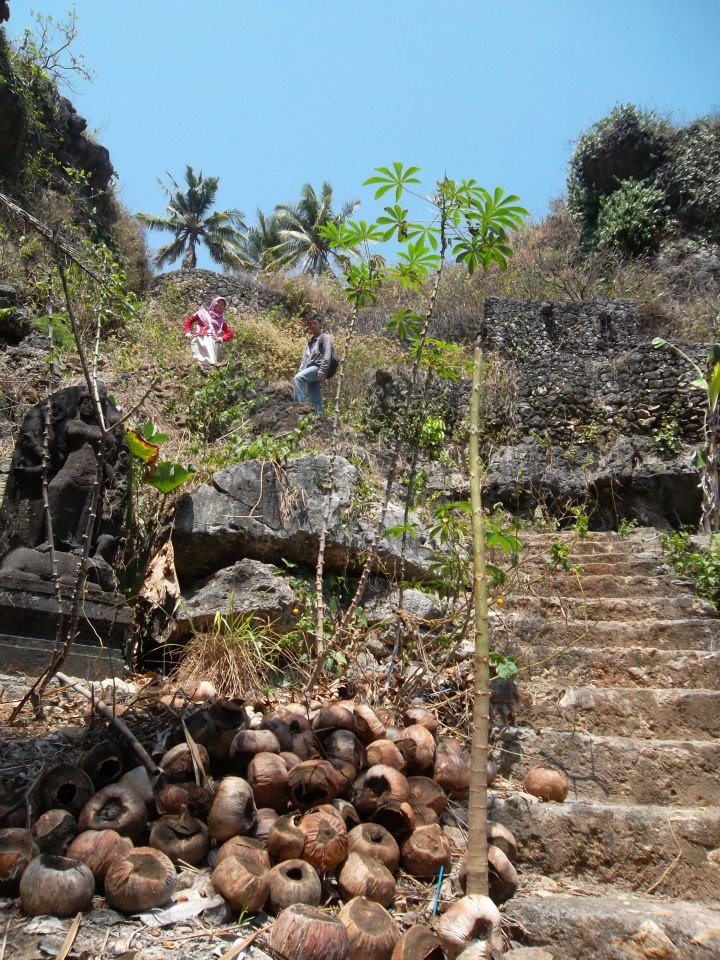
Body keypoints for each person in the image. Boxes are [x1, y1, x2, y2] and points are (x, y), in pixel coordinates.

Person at [294, 316, 332, 415]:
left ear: (321, 325)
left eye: (315, 323)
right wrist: (301, 371)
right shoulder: (310, 341)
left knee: (298, 378)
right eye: (310, 324)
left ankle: (300, 408)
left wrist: (322, 369)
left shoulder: (325, 337)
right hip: (311, 368)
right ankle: (319, 417)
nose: (312, 326)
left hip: (318, 367)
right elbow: (305, 359)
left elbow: (327, 354)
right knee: (314, 396)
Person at [184, 296, 233, 365]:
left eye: (222, 304)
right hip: (198, 339)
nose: (220, 305)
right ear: (213, 302)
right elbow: (188, 321)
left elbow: (230, 333)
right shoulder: (201, 313)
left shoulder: (222, 321)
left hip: (211, 341)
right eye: (218, 302)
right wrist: (187, 332)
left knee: (210, 362)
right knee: (197, 361)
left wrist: (220, 339)